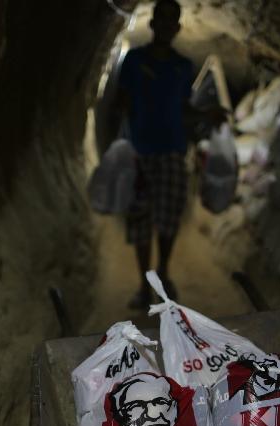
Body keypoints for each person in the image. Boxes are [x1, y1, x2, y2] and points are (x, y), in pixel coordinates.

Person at [116, 0, 222, 309]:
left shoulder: (182, 67)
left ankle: (162, 270)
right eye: (159, 18)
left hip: (172, 154)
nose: (164, 25)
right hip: (139, 153)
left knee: (167, 221)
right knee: (140, 221)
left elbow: (185, 110)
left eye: (170, 20)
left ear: (176, 27)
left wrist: (207, 115)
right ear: (152, 24)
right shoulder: (134, 61)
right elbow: (121, 104)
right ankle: (143, 285)